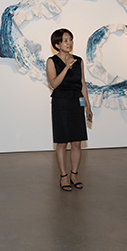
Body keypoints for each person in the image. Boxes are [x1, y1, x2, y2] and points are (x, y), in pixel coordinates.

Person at [46, 28, 93, 191]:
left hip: (75, 102)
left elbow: (83, 84)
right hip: (60, 103)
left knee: (77, 142)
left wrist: (88, 105)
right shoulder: (52, 61)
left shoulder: (79, 60)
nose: (69, 43)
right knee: (61, 142)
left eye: (70, 39)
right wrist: (66, 67)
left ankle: (74, 174)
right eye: (65, 40)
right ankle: (64, 177)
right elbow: (54, 84)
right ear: (57, 44)